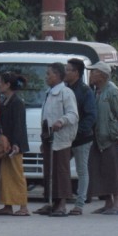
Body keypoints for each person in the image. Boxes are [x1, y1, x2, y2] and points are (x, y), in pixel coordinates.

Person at [87, 60, 118, 214]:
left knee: (111, 170)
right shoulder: (96, 91)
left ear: (102, 75)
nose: (91, 74)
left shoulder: (112, 90)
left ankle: (117, 203)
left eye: (94, 72)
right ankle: (107, 202)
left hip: (109, 137)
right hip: (98, 137)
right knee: (99, 169)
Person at [39, 62, 79, 217]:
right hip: (48, 136)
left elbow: (73, 114)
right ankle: (51, 201)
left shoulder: (66, 93)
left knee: (61, 170)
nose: (47, 77)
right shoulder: (49, 93)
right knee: (49, 170)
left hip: (60, 137)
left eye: (49, 74)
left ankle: (61, 203)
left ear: (57, 75)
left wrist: (61, 121)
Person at [0, 72, 30, 216]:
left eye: (1, 82)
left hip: (15, 144)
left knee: (16, 174)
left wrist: (16, 143)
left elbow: (19, 125)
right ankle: (8, 205)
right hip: (6, 143)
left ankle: (23, 206)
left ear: (8, 85)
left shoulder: (17, 102)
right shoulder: (5, 101)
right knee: (6, 175)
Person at [65, 58, 98, 216]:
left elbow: (91, 116)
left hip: (82, 137)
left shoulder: (85, 91)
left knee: (81, 170)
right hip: (65, 136)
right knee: (61, 167)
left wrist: (78, 131)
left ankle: (79, 203)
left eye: (68, 69)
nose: (66, 72)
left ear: (76, 72)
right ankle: (60, 200)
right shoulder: (65, 89)